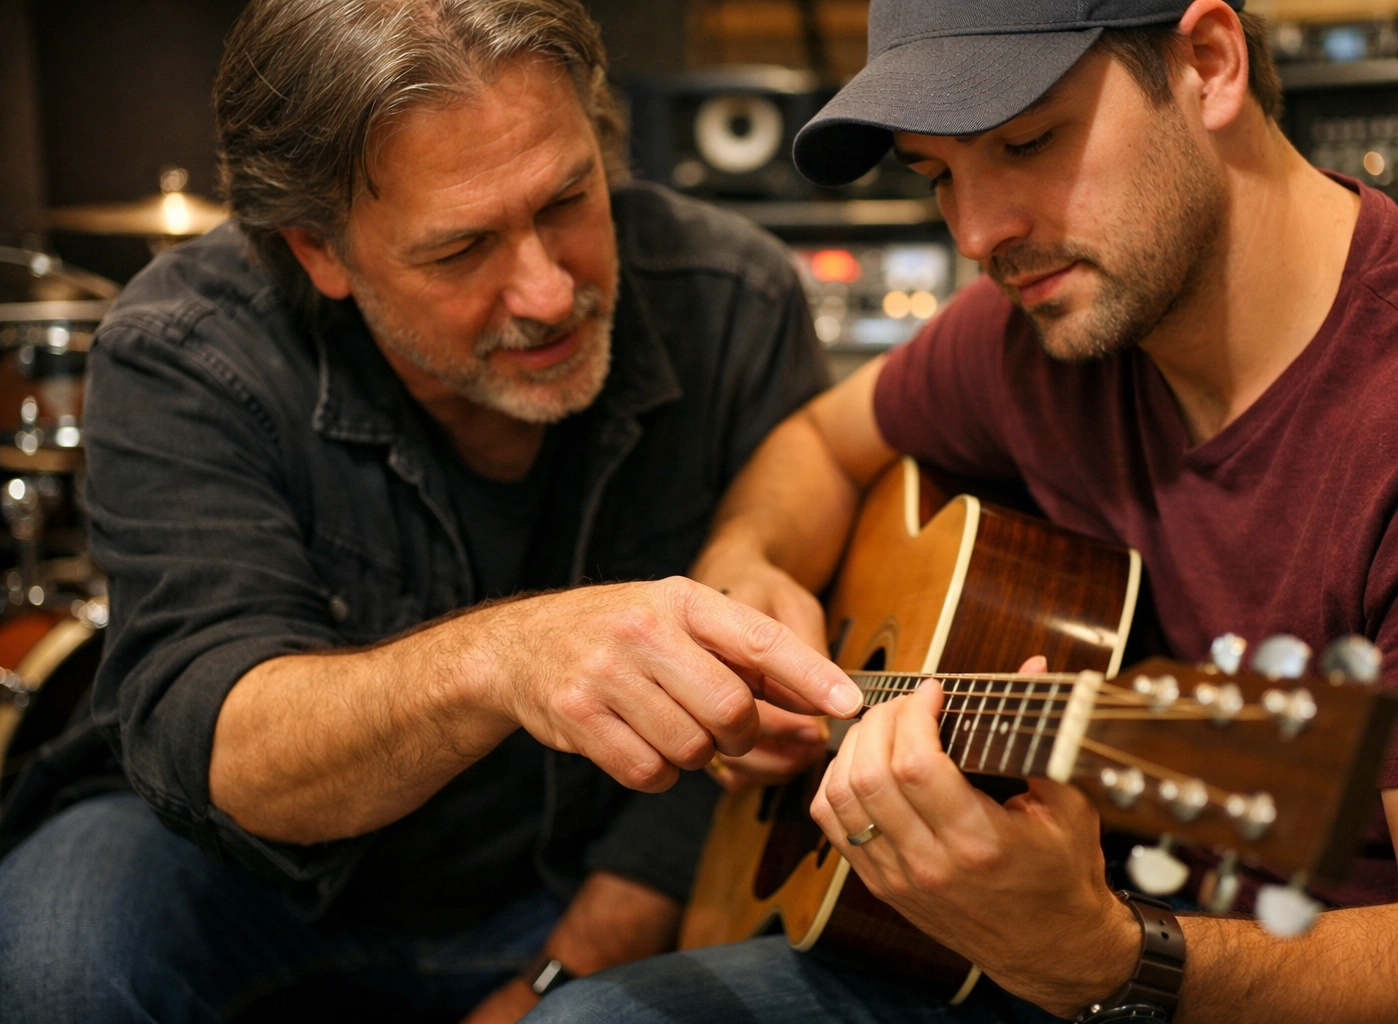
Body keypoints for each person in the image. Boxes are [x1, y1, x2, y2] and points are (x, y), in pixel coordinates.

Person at [526, 0, 1398, 1022]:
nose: (976, 233)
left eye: (1027, 140)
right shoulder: (1035, 333)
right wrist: (750, 564)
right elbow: (817, 445)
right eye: (937, 174)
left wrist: (1105, 959)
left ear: (1210, 64)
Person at [0, 2, 866, 1021]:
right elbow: (225, 741)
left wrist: (556, 975)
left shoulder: (732, 300)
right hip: (238, 877)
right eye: (461, 251)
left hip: (578, 875)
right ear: (319, 250)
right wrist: (505, 656)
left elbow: (722, 777)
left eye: (569, 200)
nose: (546, 292)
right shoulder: (185, 349)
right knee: (49, 959)